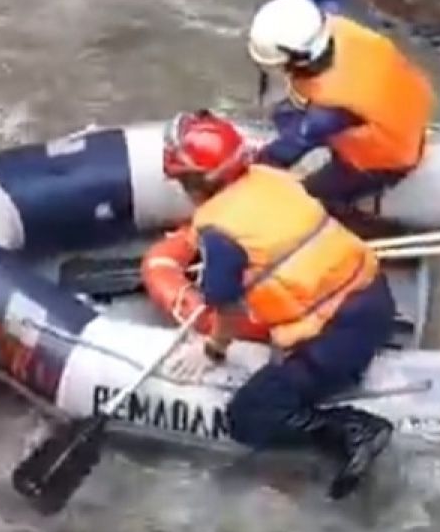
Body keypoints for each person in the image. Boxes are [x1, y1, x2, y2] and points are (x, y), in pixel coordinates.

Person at [156, 109, 397, 500]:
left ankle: (351, 430)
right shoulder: (270, 177)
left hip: (334, 340)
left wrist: (212, 351)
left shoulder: (219, 232)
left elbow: (227, 310)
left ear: (192, 182)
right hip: (377, 296)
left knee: (248, 416)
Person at [246, 0, 437, 226]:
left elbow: (284, 153)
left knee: (309, 197)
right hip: (400, 110)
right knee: (285, 115)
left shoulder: (329, 110)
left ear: (299, 59)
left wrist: (244, 170)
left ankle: (348, 216)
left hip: (386, 158)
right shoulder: (336, 21)